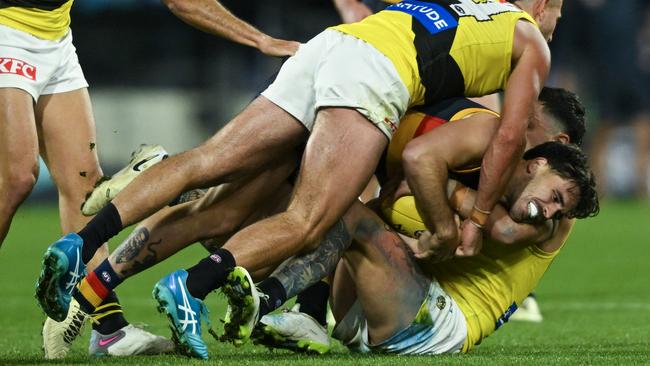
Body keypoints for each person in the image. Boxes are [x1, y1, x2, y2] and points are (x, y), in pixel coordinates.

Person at [36, 0, 562, 354]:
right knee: (313, 219)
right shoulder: (523, 54)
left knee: (213, 176)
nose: (555, 25)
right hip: (373, 78)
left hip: (332, 47)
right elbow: (500, 138)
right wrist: (465, 221)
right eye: (557, 11)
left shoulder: (470, 17)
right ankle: (194, 289)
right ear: (539, 7)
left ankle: (84, 249)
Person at [56, 87, 585, 358]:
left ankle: (255, 290)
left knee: (327, 211)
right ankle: (178, 207)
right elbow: (400, 199)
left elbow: (495, 226)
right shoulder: (476, 141)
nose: (511, 127)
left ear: (550, 150)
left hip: (432, 322)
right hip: (373, 304)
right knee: (246, 209)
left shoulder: (542, 208)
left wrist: (442, 204)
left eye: (525, 123)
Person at [0, 0, 298, 359]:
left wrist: (259, 40)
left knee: (85, 187)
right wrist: (261, 41)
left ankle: (109, 329)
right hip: (6, 30)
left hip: (54, 37)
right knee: (17, 176)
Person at [249, 141, 598, 355]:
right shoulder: (491, 178)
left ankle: (266, 299)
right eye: (554, 198)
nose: (550, 211)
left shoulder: (546, 225)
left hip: (442, 324)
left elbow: (504, 231)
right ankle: (303, 310)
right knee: (346, 206)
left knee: (352, 215)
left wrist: (432, 179)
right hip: (376, 311)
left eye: (560, 207)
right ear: (537, 164)